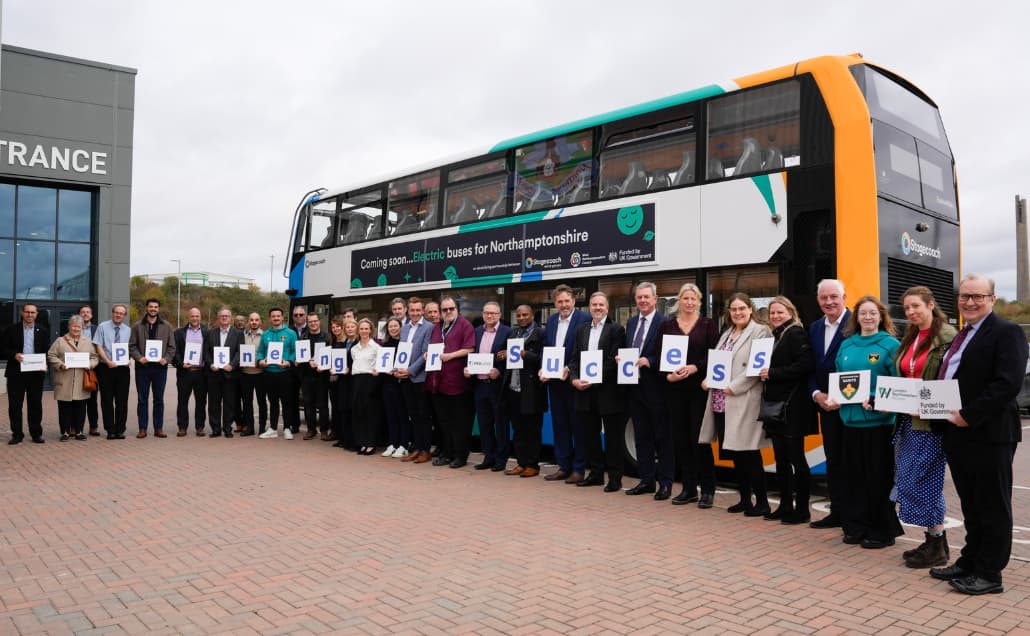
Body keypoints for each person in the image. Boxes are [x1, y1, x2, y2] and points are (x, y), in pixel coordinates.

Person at [930, 274, 1028, 595]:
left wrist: (969, 415)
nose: (970, 302)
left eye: (978, 296)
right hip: (958, 433)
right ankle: (970, 559)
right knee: (971, 503)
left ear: (992, 299)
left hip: (989, 433)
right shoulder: (964, 335)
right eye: (965, 296)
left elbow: (1007, 383)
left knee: (992, 505)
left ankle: (989, 573)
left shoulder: (1007, 332)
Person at [889, 286, 955, 567]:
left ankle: (937, 542)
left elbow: (951, 383)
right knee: (910, 479)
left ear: (930, 305)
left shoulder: (948, 338)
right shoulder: (912, 337)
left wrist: (927, 406)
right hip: (908, 420)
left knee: (920, 480)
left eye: (916, 306)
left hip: (930, 424)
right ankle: (933, 541)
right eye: (906, 308)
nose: (911, 312)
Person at [832, 295, 902, 549]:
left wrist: (875, 397)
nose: (868, 317)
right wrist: (836, 398)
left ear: (881, 317)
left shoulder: (890, 345)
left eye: (873, 313)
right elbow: (840, 379)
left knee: (878, 479)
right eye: (863, 313)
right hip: (849, 423)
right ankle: (856, 527)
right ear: (856, 317)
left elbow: (897, 384)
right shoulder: (846, 346)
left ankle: (881, 531)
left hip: (878, 425)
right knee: (853, 479)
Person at [700, 293, 772, 516]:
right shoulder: (727, 333)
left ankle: (761, 502)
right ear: (729, 312)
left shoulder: (761, 331)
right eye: (734, 309)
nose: (738, 313)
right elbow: (718, 364)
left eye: (742, 308)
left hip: (743, 398)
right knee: (735, 453)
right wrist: (708, 380)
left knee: (749, 452)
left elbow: (757, 367)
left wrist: (735, 387)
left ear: (750, 309)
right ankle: (744, 499)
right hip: (722, 400)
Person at [658, 283, 720, 508]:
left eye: (694, 298)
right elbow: (659, 357)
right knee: (681, 441)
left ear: (700, 301)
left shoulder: (708, 325)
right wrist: (668, 377)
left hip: (699, 390)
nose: (689, 302)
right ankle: (689, 488)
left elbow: (715, 355)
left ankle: (708, 490)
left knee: (700, 440)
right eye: (685, 298)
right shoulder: (667, 326)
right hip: (675, 391)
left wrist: (695, 367)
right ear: (679, 301)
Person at [758, 296, 816, 524]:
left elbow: (805, 364)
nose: (775, 316)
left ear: (790, 312)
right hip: (779, 408)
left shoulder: (795, 333)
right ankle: (784, 505)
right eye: (772, 313)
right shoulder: (777, 335)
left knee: (796, 460)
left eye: (780, 312)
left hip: (793, 408)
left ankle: (802, 510)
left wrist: (774, 373)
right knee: (781, 459)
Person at [567, 291, 626, 492]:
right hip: (584, 391)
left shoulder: (616, 329)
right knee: (589, 436)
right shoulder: (581, 330)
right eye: (594, 305)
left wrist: (593, 379)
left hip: (607, 391)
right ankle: (596, 474)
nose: (598, 308)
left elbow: (613, 362)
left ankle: (615, 478)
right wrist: (574, 379)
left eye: (601, 305)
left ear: (607, 308)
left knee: (612, 438)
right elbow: (574, 359)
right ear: (589, 308)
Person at [807, 279, 851, 529]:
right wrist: (816, 394)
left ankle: (855, 514)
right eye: (824, 298)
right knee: (833, 460)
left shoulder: (857, 324)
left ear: (844, 296)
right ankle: (837, 512)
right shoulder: (814, 328)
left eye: (834, 296)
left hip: (852, 406)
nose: (829, 302)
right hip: (826, 405)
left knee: (853, 462)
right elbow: (811, 367)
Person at [623, 282, 672, 500]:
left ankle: (666, 483)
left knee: (662, 437)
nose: (642, 301)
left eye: (646, 297)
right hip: (634, 389)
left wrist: (649, 361)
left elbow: (670, 356)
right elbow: (630, 350)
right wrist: (622, 358)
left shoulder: (665, 323)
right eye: (639, 297)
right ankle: (646, 481)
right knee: (642, 437)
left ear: (655, 299)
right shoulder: (631, 322)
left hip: (657, 389)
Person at [540, 284, 591, 483]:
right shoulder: (551, 321)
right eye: (560, 302)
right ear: (555, 303)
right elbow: (547, 349)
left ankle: (578, 469)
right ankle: (563, 466)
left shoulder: (584, 319)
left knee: (577, 426)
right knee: (559, 425)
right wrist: (543, 368)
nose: (564, 305)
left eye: (567, 301)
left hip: (573, 381)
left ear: (573, 301)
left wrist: (569, 369)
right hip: (554, 382)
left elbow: (584, 350)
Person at [426, 296, 475, 468]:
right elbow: (433, 348)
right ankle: (447, 454)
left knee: (459, 423)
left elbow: (470, 348)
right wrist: (428, 355)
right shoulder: (437, 327)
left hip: (458, 383)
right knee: (443, 422)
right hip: (438, 382)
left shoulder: (465, 325)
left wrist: (450, 356)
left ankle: (460, 456)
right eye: (444, 310)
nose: (448, 312)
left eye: (451, 309)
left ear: (457, 309)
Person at [500, 304, 547, 478]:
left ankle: (533, 465)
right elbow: (511, 359)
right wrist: (504, 354)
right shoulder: (514, 333)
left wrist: (525, 354)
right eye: (518, 315)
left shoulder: (541, 334)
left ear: (532, 315)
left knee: (532, 429)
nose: (521, 318)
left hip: (532, 390)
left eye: (525, 315)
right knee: (518, 429)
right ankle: (521, 462)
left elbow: (544, 359)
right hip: (513, 388)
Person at [467, 301, 512, 472]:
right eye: (487, 313)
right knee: (484, 424)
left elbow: (512, 358)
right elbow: (472, 354)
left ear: (499, 315)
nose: (489, 316)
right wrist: (468, 368)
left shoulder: (508, 332)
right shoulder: (476, 332)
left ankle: (501, 459)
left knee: (500, 424)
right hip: (480, 384)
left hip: (498, 386)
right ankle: (488, 457)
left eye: (493, 313)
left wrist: (500, 371)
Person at [2, 304, 50, 444]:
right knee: (15, 405)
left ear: (36, 314)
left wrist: (44, 364)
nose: (30, 315)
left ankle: (36, 433)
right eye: (27, 312)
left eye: (32, 312)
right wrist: (14, 355)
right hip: (16, 373)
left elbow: (46, 351)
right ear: (22, 313)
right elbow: (2, 349)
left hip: (36, 373)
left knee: (35, 404)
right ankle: (17, 434)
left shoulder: (43, 330)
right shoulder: (11, 330)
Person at [129, 297, 176, 438]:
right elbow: (131, 346)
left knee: (159, 399)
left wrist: (166, 359)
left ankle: (158, 428)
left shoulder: (166, 326)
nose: (153, 309)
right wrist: (139, 358)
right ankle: (142, 428)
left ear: (158, 309)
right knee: (142, 399)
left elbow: (172, 347)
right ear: (146, 308)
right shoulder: (137, 326)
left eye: (155, 307)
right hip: (142, 368)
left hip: (160, 368)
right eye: (151, 307)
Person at [47, 315, 99, 441]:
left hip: (81, 379)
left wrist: (90, 365)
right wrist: (60, 364)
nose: (76, 329)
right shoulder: (60, 341)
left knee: (80, 407)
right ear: (69, 326)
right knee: (64, 407)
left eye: (79, 326)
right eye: (74, 326)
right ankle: (65, 432)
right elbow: (51, 355)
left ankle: (79, 431)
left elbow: (95, 357)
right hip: (65, 378)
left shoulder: (87, 342)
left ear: (82, 328)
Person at [397, 298, 434, 462]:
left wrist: (410, 371)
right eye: (412, 310)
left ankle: (425, 450)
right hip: (405, 378)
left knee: (423, 416)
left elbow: (425, 354)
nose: (415, 313)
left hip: (419, 378)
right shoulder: (404, 329)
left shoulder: (429, 327)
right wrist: (396, 369)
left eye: (418, 310)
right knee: (413, 416)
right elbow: (402, 352)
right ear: (408, 311)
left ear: (423, 311)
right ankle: (417, 448)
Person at [257, 308, 298, 439]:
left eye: (278, 316)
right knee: (273, 402)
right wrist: (260, 361)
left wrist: (288, 362)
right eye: (273, 316)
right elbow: (261, 351)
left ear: (282, 317)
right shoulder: (265, 334)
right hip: (269, 373)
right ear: (270, 318)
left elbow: (294, 351)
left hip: (285, 373)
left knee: (287, 402)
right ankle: (273, 428)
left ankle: (287, 428)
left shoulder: (291, 333)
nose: (275, 318)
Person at [204, 308, 243, 438]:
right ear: (218, 318)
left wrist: (232, 365)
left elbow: (239, 352)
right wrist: (210, 364)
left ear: (231, 318)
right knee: (214, 403)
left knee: (229, 402)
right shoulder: (210, 333)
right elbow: (206, 352)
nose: (224, 318)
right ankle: (215, 428)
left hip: (230, 374)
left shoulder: (238, 334)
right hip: (214, 374)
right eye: (222, 316)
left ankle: (227, 428)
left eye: (227, 316)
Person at [172, 308, 209, 436]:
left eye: (197, 316)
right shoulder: (179, 332)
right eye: (192, 316)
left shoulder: (207, 332)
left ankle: (200, 427)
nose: (195, 318)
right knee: (182, 401)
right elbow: (174, 351)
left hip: (201, 372)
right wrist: (181, 363)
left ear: (200, 317)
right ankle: (182, 427)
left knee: (201, 401)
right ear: (189, 317)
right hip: (185, 372)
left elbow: (210, 350)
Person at [351, 318, 382, 455]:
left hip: (370, 381)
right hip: (357, 380)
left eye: (366, 328)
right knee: (359, 413)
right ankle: (362, 442)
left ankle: (371, 443)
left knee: (370, 413)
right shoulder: (354, 349)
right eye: (361, 328)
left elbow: (380, 366)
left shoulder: (376, 348)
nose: (364, 331)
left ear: (371, 330)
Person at [379, 317, 408, 456]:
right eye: (390, 326)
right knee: (390, 415)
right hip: (387, 383)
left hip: (401, 384)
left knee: (402, 415)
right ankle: (392, 443)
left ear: (401, 327)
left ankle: (403, 445)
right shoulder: (384, 345)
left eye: (396, 326)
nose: (393, 328)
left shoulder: (405, 344)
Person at [300, 313, 331, 440]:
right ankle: (311, 429)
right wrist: (305, 361)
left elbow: (330, 355)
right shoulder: (302, 338)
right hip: (307, 376)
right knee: (308, 404)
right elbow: (300, 356)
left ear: (319, 322)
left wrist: (321, 364)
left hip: (322, 376)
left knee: (323, 405)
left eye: (315, 321)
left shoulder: (327, 337)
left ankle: (324, 430)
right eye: (310, 321)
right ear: (308, 323)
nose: (313, 323)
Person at [329, 317, 358, 449]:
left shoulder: (358, 343)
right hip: (342, 381)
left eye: (352, 327)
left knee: (351, 410)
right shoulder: (345, 342)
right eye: (348, 327)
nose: (350, 329)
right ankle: (344, 439)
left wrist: (350, 370)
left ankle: (352, 441)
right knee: (343, 409)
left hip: (353, 381)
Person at [239, 312, 267, 436]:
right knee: (247, 402)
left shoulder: (265, 336)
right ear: (248, 322)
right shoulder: (242, 336)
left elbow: (269, 353)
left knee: (262, 402)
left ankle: (262, 428)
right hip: (245, 373)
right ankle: (249, 427)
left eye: (256, 320)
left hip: (261, 374)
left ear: (260, 321)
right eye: (251, 320)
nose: (254, 322)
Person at [79, 305, 100, 436]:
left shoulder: (97, 329)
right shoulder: (74, 328)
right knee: (77, 399)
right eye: (83, 312)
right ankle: (76, 427)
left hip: (93, 368)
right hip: (76, 367)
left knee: (92, 399)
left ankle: (93, 426)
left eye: (88, 312)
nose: (85, 314)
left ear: (91, 315)